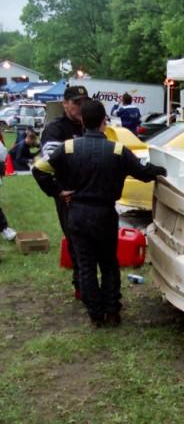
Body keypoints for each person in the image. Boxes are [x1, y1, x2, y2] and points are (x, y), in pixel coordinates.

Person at [33, 98, 167, 327]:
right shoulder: (117, 150)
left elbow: (38, 169)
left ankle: (95, 315)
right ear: (104, 121)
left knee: (85, 265)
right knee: (108, 264)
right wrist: (164, 169)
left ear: (83, 121)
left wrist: (58, 192)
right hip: (105, 215)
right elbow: (145, 173)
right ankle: (112, 311)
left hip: (77, 214)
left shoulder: (68, 147)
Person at [33, 85, 87, 296]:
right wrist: (57, 191)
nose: (80, 107)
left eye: (84, 103)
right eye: (76, 103)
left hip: (89, 191)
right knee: (75, 240)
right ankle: (80, 285)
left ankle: (87, 281)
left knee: (91, 240)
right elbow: (46, 167)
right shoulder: (55, 129)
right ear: (65, 104)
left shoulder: (90, 125)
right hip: (68, 194)